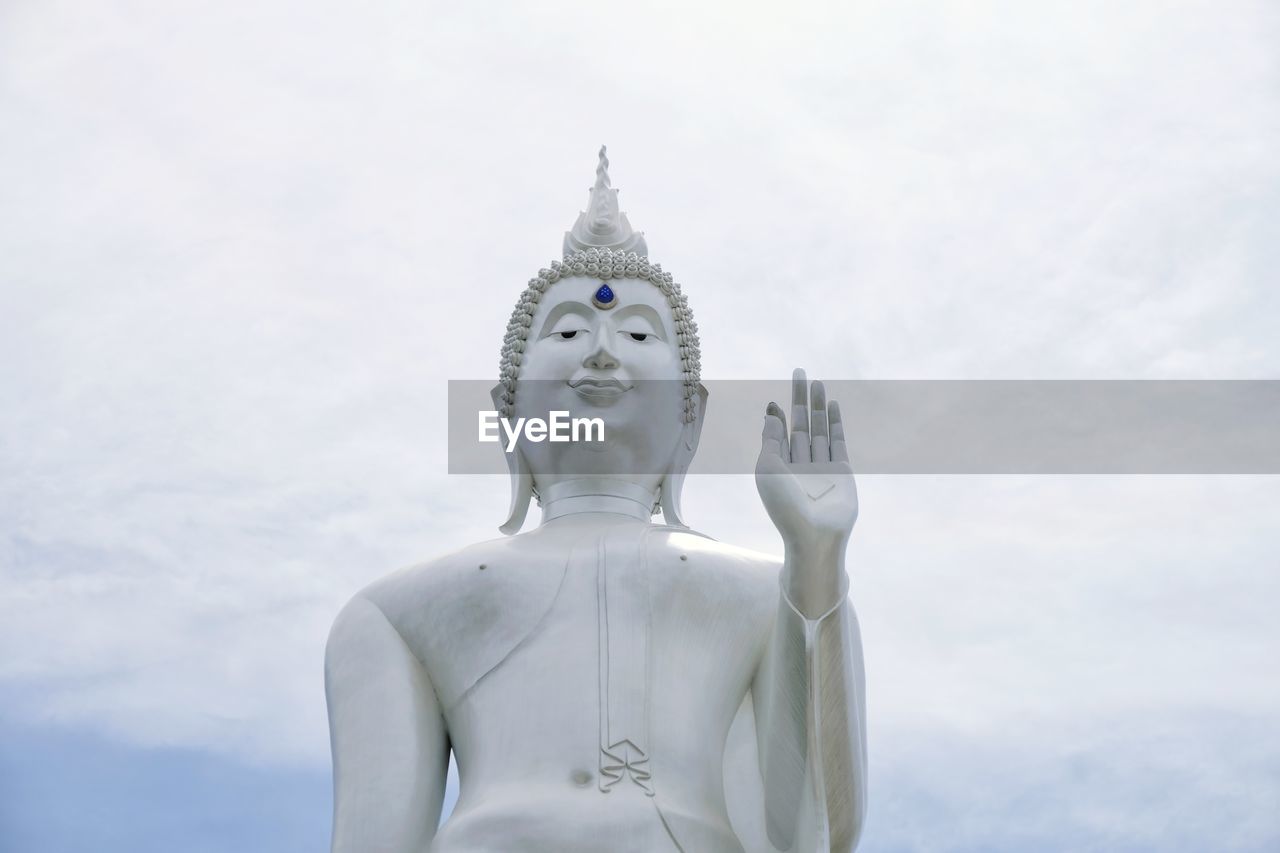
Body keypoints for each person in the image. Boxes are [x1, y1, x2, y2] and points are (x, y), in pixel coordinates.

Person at [325, 148, 867, 852]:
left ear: (690, 417)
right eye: (570, 330)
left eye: (640, 333)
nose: (604, 351)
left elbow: (816, 836)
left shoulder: (771, 590)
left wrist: (818, 562)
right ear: (510, 408)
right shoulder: (399, 610)